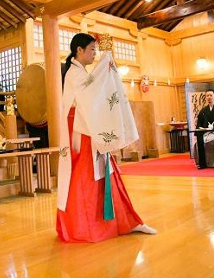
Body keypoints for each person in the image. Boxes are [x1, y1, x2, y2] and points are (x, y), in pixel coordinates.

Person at [56, 33, 156, 243]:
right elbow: (92, 92)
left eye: (95, 50)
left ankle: (127, 220)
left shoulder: (80, 72)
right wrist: (106, 62)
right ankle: (86, 227)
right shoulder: (74, 73)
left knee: (106, 176)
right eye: (92, 50)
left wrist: (105, 64)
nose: (94, 54)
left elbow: (94, 90)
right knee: (87, 178)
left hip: (90, 130)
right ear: (79, 50)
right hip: (82, 133)